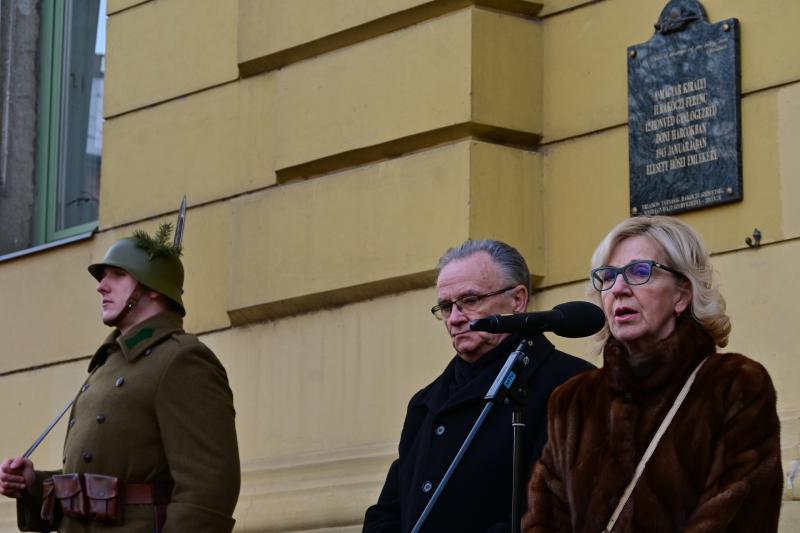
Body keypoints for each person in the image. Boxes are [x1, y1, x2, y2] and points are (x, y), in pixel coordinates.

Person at [522, 216, 783, 533]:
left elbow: (739, 516)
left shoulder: (734, 385)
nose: (618, 289)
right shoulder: (573, 400)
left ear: (682, 295)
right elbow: (543, 520)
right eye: (607, 277)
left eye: (639, 272)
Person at [0, 225, 240, 532]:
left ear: (152, 287)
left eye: (117, 274)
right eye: (103, 276)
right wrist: (34, 484)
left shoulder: (182, 360)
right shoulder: (108, 363)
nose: (101, 285)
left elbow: (208, 489)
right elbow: (96, 483)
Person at [363, 240, 594, 532]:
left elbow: (552, 512)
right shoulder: (425, 403)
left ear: (518, 299)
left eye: (470, 301)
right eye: (446, 307)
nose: (456, 319)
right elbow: (389, 511)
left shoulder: (572, 384)